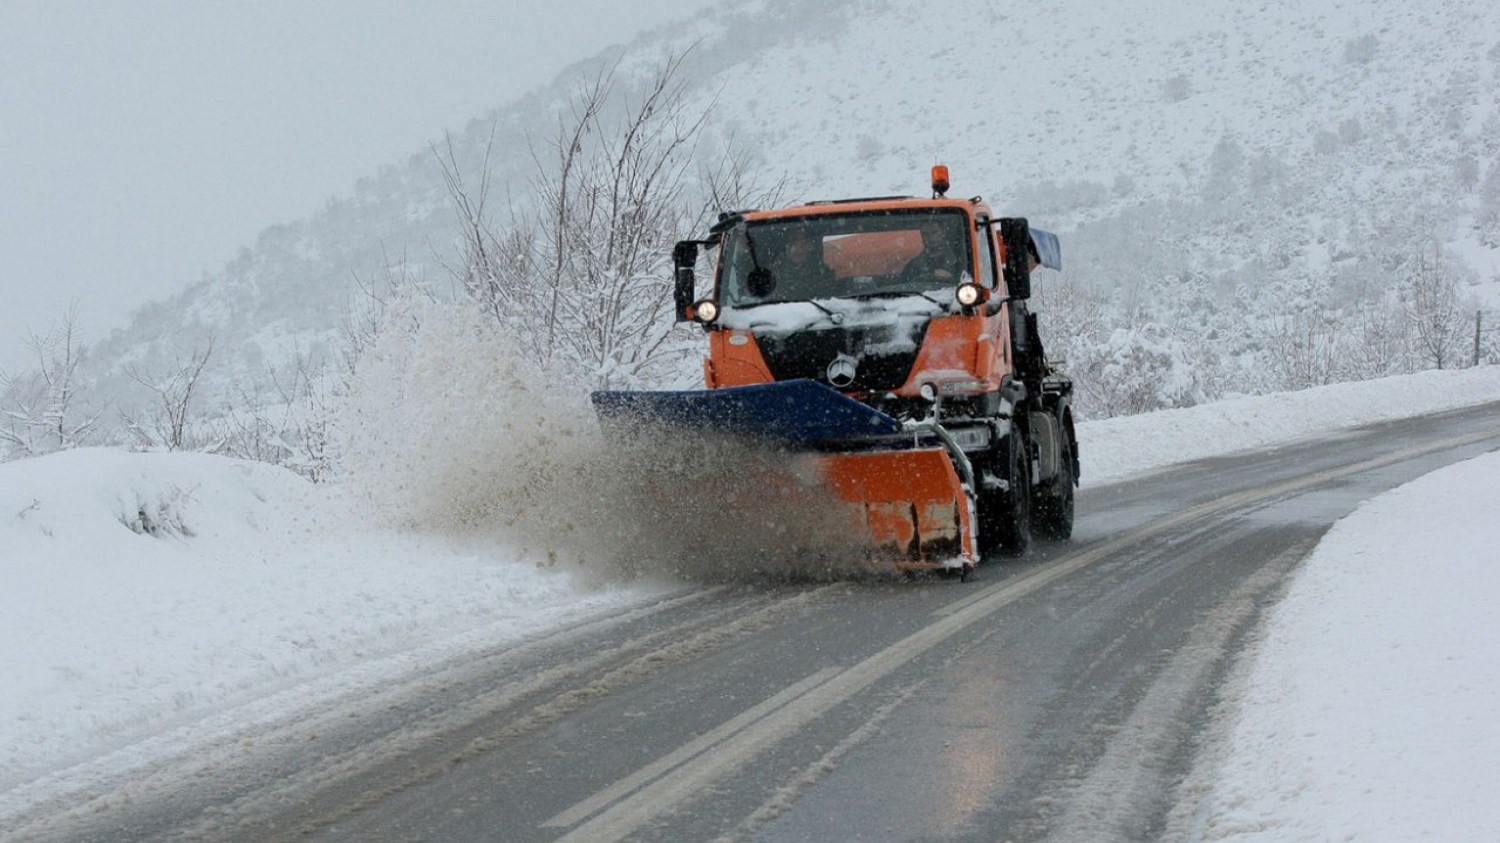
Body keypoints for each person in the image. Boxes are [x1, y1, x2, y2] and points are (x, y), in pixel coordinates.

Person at [902, 220, 962, 284]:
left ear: (943, 232)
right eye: (925, 234)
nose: (930, 238)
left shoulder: (960, 261)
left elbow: (967, 285)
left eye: (934, 232)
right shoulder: (913, 266)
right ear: (921, 236)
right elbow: (904, 287)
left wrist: (952, 279)